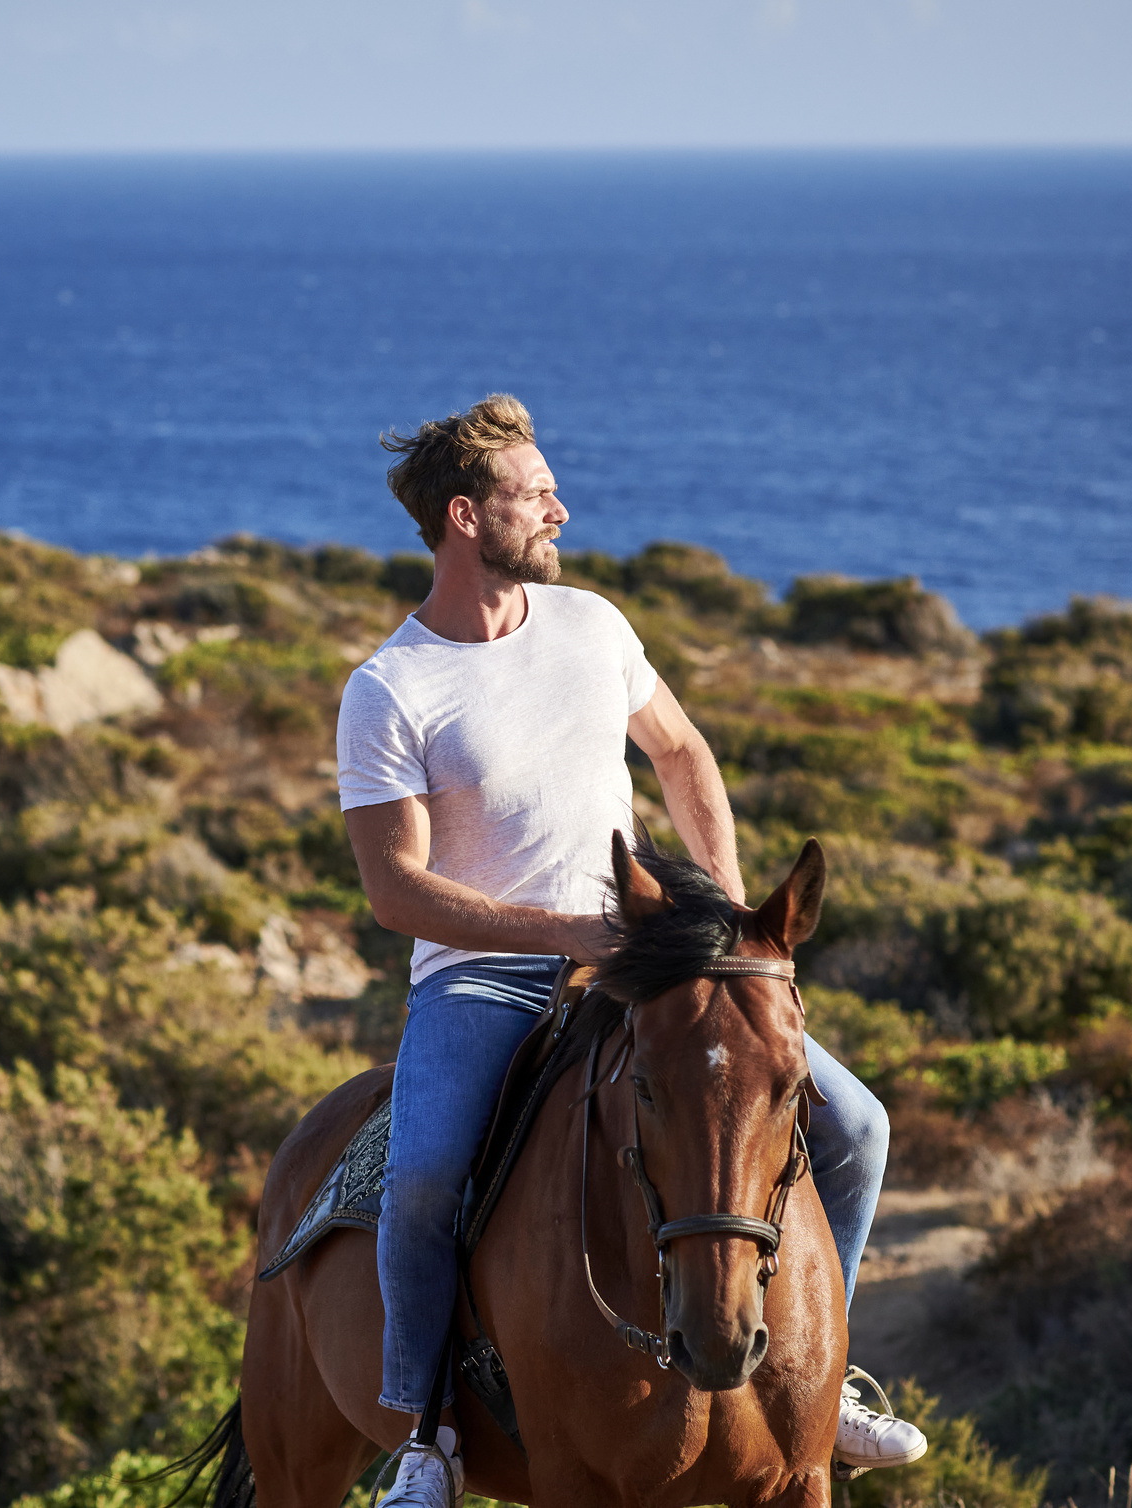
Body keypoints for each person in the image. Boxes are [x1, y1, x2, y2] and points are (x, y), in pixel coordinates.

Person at [335, 394, 928, 1507]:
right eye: (534, 494)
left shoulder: (592, 626)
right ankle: (426, 1433)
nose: (559, 508)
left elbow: (682, 753)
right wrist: (566, 931)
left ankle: (822, 1380)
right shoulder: (390, 690)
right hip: (481, 977)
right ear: (465, 516)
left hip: (652, 955)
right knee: (422, 1179)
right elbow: (394, 889)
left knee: (857, 1123)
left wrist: (734, 924)